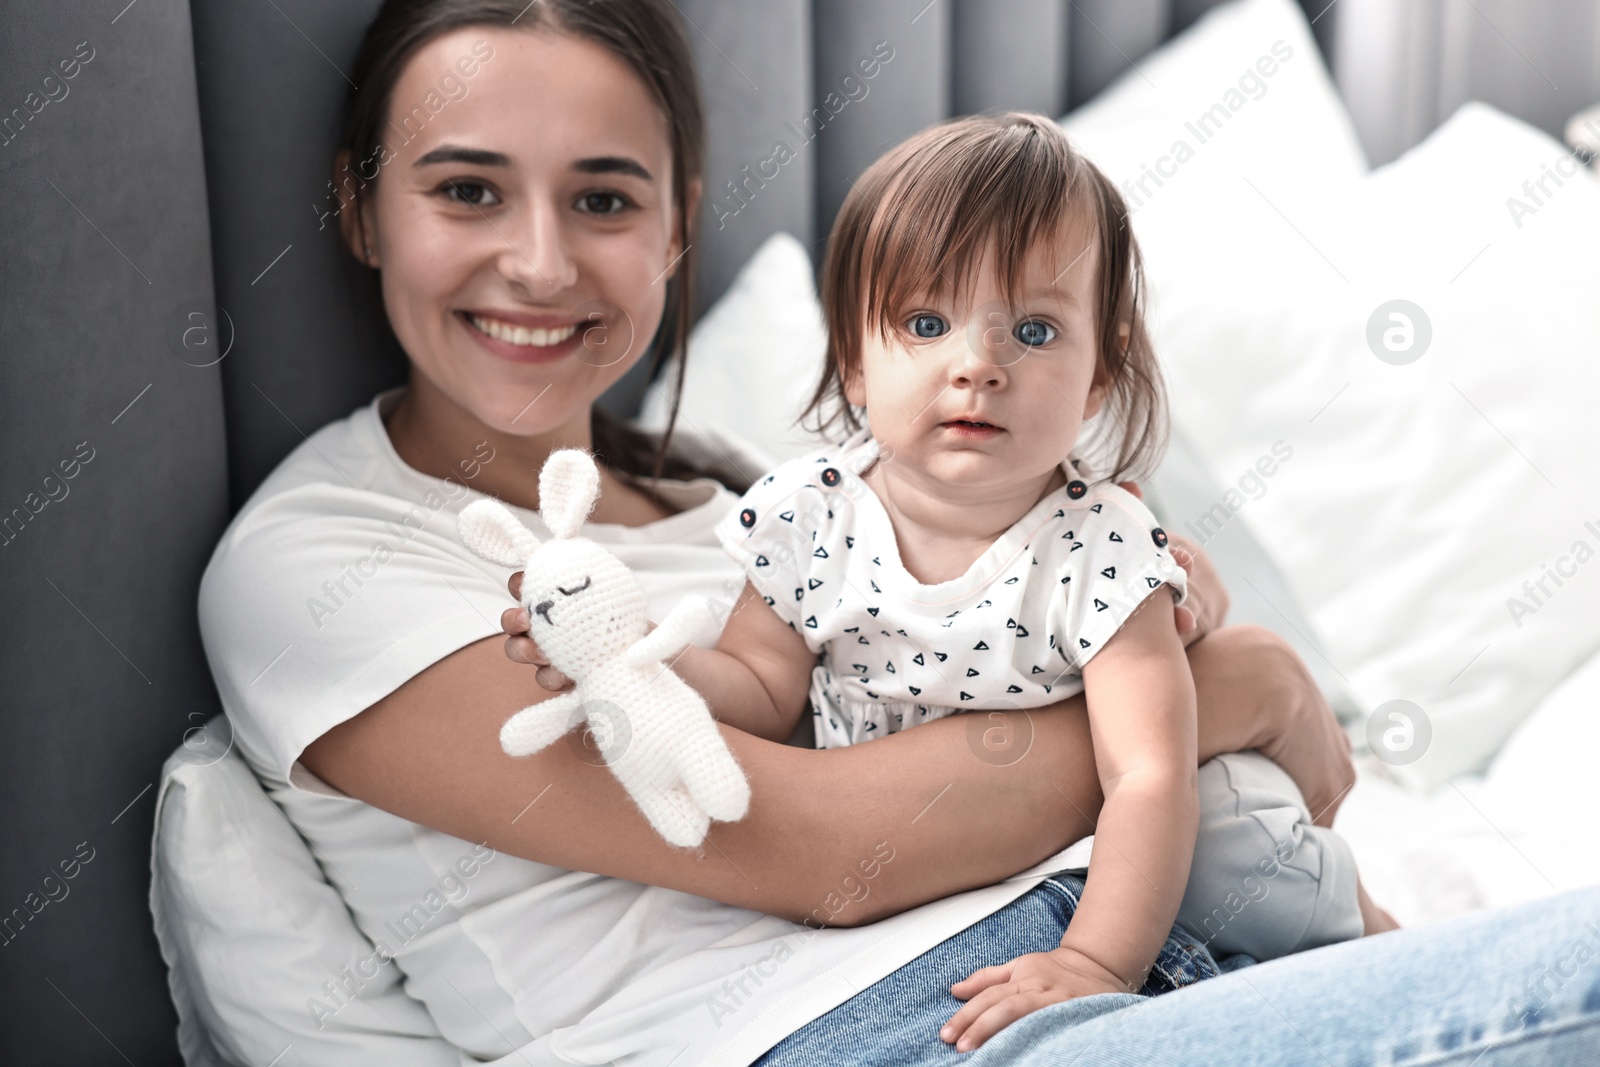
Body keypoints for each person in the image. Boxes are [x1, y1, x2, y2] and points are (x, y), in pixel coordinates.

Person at [195, 0, 1600, 1063]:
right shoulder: (322, 561)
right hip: (875, 1024)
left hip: (1122, 924)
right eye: (466, 189)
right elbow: (811, 844)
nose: (543, 262)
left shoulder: (751, 485)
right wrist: (1238, 696)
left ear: (677, 228)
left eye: (605, 198)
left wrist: (1181, 640)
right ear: (359, 207)